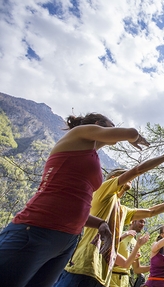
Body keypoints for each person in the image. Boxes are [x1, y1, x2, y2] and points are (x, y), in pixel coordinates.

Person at [0, 112, 152, 286]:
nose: (115, 129)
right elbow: (131, 132)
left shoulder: (94, 156)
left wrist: (100, 224)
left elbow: (74, 203)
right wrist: (133, 137)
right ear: (97, 124)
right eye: (112, 125)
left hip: (66, 242)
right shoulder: (78, 134)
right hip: (37, 228)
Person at [55, 145, 164, 287]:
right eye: (124, 175)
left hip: (102, 277)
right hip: (82, 268)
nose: (129, 177)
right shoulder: (103, 192)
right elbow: (137, 170)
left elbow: (151, 212)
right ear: (113, 179)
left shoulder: (123, 210)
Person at [111, 219, 151, 287]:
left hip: (125, 281)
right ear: (133, 221)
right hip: (111, 278)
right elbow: (108, 254)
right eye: (141, 221)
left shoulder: (136, 243)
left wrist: (155, 266)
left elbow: (137, 269)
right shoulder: (120, 235)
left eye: (144, 222)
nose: (143, 224)